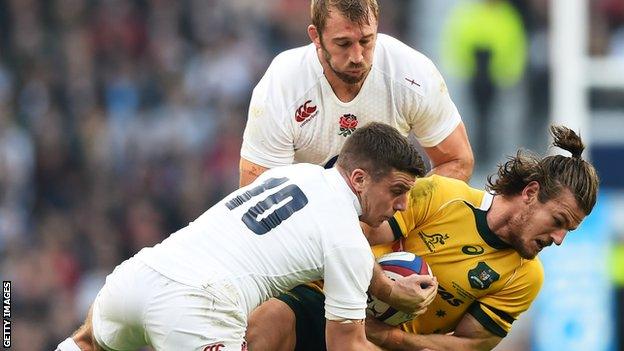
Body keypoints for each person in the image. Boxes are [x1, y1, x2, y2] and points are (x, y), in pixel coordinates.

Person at [54, 122, 435, 351]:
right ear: (359, 179)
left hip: (142, 274)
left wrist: (386, 289)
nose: (402, 205)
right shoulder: (347, 241)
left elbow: (333, 241)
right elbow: (345, 344)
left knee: (87, 343)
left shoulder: (293, 173)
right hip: (200, 305)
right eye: (398, 189)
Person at [248, 125, 599, 351]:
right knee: (267, 321)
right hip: (328, 303)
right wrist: (383, 288)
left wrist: (391, 337)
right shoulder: (445, 196)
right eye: (558, 222)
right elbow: (354, 231)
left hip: (384, 347)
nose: (558, 239)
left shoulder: (524, 277)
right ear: (531, 192)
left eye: (569, 230)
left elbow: (468, 345)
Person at [239, 0, 474, 188]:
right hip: (309, 227)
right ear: (316, 37)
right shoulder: (283, 85)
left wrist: (401, 215)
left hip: (390, 220)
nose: (357, 56)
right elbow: (257, 193)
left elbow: (457, 161)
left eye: (366, 41)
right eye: (343, 44)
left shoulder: (411, 74)